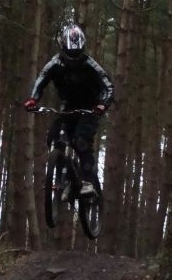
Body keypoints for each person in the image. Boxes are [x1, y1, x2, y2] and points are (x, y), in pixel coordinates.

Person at [24, 24, 115, 196]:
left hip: (90, 107)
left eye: (77, 54)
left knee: (81, 141)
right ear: (62, 48)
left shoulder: (90, 64)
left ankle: (88, 181)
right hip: (68, 106)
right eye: (70, 54)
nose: (73, 58)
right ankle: (61, 178)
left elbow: (108, 85)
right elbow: (41, 80)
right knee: (53, 137)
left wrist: (103, 104)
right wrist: (32, 100)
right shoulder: (54, 64)